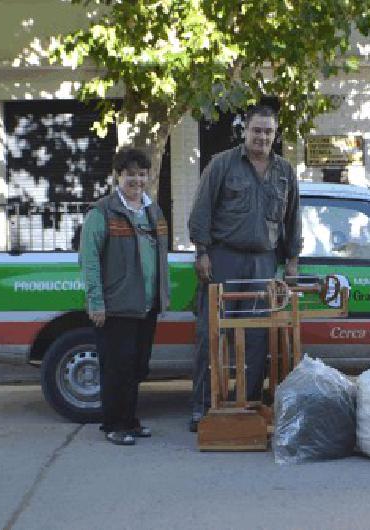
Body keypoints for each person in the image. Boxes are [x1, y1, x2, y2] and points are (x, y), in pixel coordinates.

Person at [187, 105, 302, 432]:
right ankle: (203, 407)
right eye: (257, 130)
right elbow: (201, 211)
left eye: (268, 131)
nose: (262, 137)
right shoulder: (222, 165)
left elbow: (294, 218)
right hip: (223, 260)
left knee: (257, 339)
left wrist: (292, 259)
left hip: (264, 263)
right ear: (245, 131)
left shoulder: (284, 171)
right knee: (212, 335)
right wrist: (203, 252)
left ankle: (246, 405)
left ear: (275, 134)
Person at [79, 147, 170, 445]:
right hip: (116, 306)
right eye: (130, 174)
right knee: (116, 367)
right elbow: (89, 260)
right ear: (118, 176)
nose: (137, 180)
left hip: (146, 305)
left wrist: (161, 297)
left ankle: (130, 421)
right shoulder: (101, 212)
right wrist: (96, 301)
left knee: (136, 367)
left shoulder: (152, 210)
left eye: (142, 174)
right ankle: (114, 424)